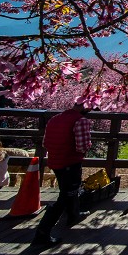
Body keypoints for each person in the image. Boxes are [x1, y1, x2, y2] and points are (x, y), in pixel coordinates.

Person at [33, 102, 93, 246]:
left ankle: (74, 215)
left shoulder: (55, 118)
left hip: (55, 162)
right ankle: (42, 232)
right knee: (66, 195)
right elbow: (82, 146)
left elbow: (45, 143)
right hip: (70, 162)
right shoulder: (80, 121)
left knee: (68, 191)